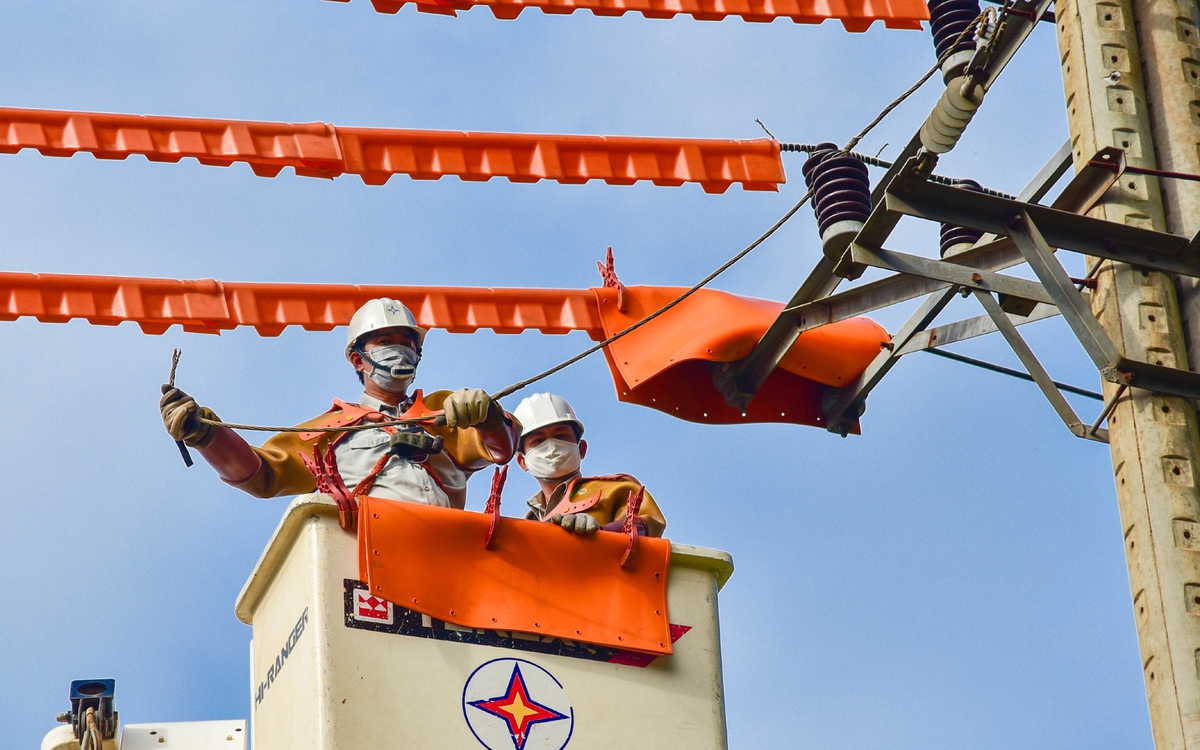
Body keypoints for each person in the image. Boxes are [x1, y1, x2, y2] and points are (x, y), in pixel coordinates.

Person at [159, 298, 519, 524]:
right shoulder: (330, 431)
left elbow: (502, 449)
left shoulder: (444, 411)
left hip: (448, 552)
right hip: (366, 560)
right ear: (358, 359)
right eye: (386, 341)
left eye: (407, 343)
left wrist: (487, 417)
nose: (399, 350)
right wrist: (208, 436)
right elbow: (261, 474)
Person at [514, 392, 665, 537]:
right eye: (538, 440)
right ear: (522, 462)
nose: (551, 446)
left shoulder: (616, 490)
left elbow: (649, 525)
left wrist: (603, 532)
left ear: (582, 449)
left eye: (561, 436)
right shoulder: (522, 527)